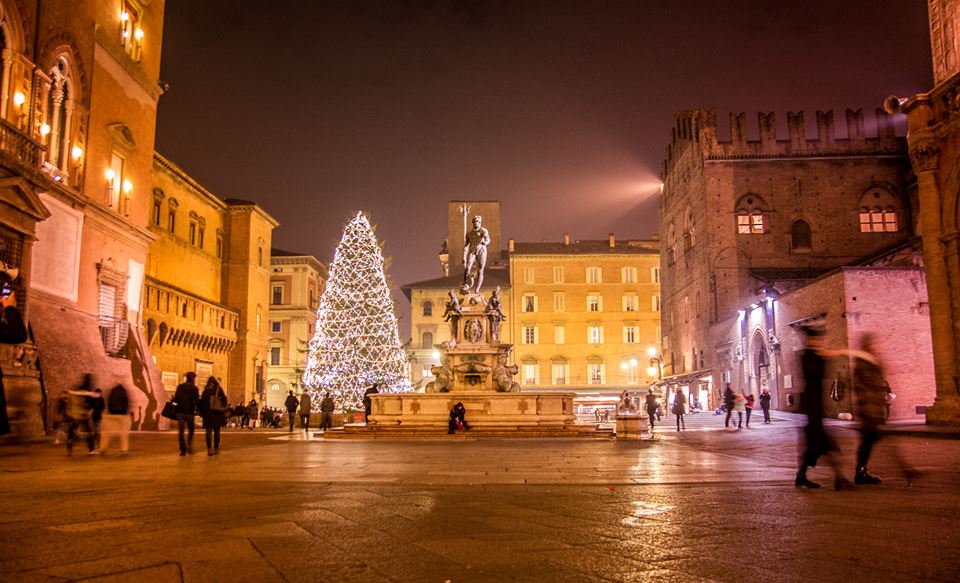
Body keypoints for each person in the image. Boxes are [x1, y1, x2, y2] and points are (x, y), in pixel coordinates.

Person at [850, 333, 920, 485]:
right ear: (867, 345)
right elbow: (864, 388)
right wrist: (872, 407)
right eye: (874, 342)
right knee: (884, 442)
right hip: (870, 411)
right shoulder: (864, 364)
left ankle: (861, 472)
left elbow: (877, 385)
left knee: (869, 443)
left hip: (874, 410)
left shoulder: (871, 362)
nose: (877, 345)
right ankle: (906, 471)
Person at [795, 326, 847, 490]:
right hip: (813, 410)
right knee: (828, 447)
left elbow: (822, 375)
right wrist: (823, 357)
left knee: (814, 449)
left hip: (816, 411)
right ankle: (839, 479)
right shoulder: (807, 356)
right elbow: (813, 374)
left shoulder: (813, 356)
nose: (821, 342)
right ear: (811, 340)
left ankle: (801, 476)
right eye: (818, 340)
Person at [65, 375, 97, 456]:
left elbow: (70, 396)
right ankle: (91, 448)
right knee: (89, 432)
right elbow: (91, 400)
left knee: (72, 431)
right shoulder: (87, 390)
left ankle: (69, 446)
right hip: (83, 414)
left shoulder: (76, 389)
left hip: (75, 413)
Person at [172, 372, 200, 456]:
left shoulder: (180, 387)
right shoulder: (194, 388)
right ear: (193, 379)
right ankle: (189, 445)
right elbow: (196, 401)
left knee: (181, 431)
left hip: (180, 412)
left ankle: (183, 450)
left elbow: (176, 399)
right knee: (191, 430)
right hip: (189, 412)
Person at [198, 377, 228, 456]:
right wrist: (223, 409)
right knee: (217, 432)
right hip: (217, 414)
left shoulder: (206, 391)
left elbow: (202, 403)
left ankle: (209, 449)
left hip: (208, 415)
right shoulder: (219, 389)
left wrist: (202, 413)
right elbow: (224, 399)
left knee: (208, 432)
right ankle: (216, 448)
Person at [462, 215, 491, 293]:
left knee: (481, 269)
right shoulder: (469, 233)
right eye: (475, 222)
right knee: (468, 267)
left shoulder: (483, 231)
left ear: (480, 223)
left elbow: (488, 239)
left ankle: (477, 288)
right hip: (472, 251)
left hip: (481, 250)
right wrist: (463, 257)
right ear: (473, 223)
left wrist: (484, 242)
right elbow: (465, 246)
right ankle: (465, 285)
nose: (477, 223)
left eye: (478, 222)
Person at [100, 384, 130, 455]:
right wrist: (125, 412)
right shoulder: (124, 391)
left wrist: (110, 411)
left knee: (106, 433)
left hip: (112, 414)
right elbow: (126, 402)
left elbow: (108, 401)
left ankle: (103, 449)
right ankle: (124, 449)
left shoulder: (112, 391)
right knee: (123, 433)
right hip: (122, 414)